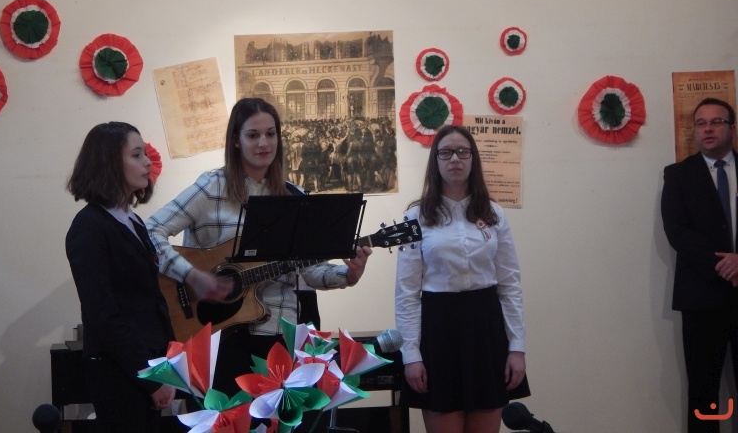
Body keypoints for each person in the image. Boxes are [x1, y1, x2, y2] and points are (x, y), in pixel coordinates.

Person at [147, 97, 372, 396]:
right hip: (222, 334)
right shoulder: (211, 187)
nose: (264, 143)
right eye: (253, 135)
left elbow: (308, 269)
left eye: (270, 134)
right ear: (236, 140)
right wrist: (192, 275)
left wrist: (349, 275)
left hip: (282, 336)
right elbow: (150, 231)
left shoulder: (294, 197)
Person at [394, 125, 529, 433]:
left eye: (462, 151)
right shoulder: (415, 217)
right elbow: (406, 293)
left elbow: (510, 286)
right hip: (438, 331)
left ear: (472, 158)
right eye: (445, 152)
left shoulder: (494, 214)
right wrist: (411, 355)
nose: (454, 159)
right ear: (435, 161)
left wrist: (517, 348)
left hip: (486, 331)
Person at [65, 122, 177, 433]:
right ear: (109, 163)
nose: (147, 163)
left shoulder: (133, 221)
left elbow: (149, 298)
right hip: (120, 370)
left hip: (148, 363)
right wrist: (149, 377)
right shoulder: (90, 226)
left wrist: (167, 361)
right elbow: (103, 314)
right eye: (137, 155)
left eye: (145, 155)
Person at [661, 97, 738, 432]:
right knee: (704, 394)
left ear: (732, 128)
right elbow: (678, 232)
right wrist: (724, 264)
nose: (708, 129)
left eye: (716, 122)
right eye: (701, 123)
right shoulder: (679, 175)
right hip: (701, 297)